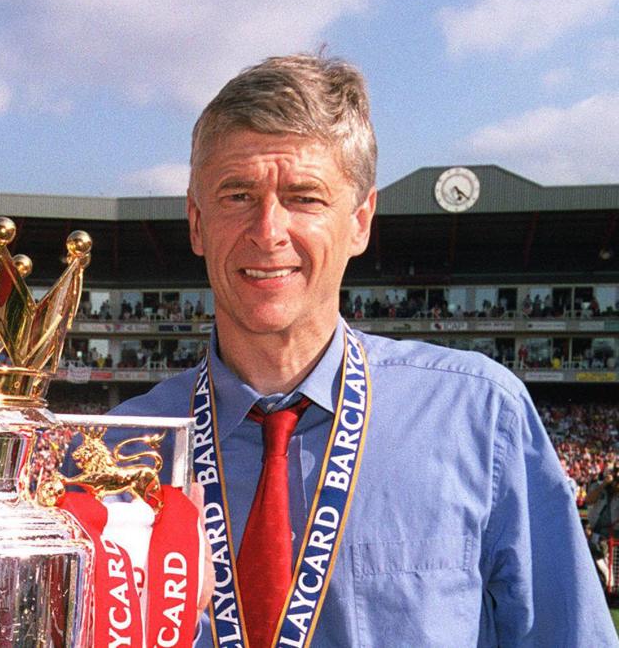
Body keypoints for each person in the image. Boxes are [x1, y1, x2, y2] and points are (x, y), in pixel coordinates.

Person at [112, 53, 615, 646]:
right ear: (196, 222)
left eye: (304, 197)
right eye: (237, 195)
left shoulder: (481, 417)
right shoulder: (121, 449)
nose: (268, 231)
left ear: (360, 220)